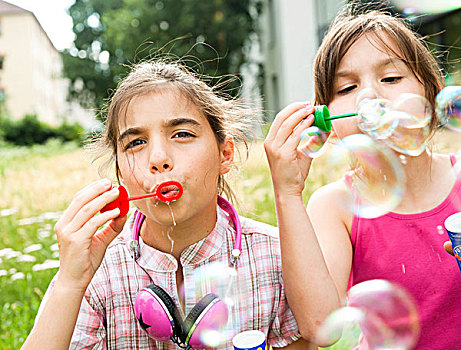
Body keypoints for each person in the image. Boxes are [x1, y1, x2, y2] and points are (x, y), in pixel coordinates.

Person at [22, 60, 314, 349]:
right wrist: (70, 282)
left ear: (224, 154)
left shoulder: (278, 257)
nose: (158, 158)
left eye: (182, 134)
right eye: (135, 142)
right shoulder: (96, 273)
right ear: (120, 172)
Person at [264, 5, 461, 350]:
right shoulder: (335, 207)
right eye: (347, 88)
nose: (370, 97)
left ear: (431, 92)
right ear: (328, 122)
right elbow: (319, 325)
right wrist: (288, 192)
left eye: (390, 78)